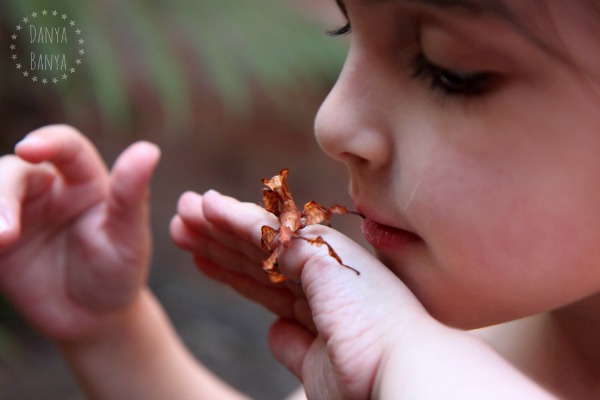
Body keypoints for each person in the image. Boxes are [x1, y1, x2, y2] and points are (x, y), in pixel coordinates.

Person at [2, 0, 600, 398]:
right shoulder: (466, 334)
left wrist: (400, 354)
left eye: (449, 70)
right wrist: (114, 336)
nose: (332, 121)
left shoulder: (427, 355)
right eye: (347, 30)